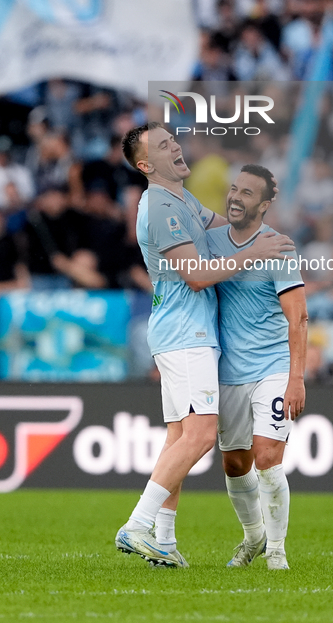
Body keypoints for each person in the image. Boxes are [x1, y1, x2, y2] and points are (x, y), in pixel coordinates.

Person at [115, 122, 293, 567]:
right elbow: (196, 275)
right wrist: (255, 254)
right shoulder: (160, 207)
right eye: (162, 145)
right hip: (186, 332)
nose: (174, 145)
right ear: (145, 165)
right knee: (200, 435)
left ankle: (165, 540)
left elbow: (226, 228)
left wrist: (258, 220)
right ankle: (136, 526)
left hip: (180, 332)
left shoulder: (181, 199)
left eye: (172, 139)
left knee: (178, 436)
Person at [207, 164, 307, 571]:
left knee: (267, 457)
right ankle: (254, 537)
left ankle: (277, 550)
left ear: (264, 205)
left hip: (272, 366)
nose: (235, 197)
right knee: (234, 464)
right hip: (228, 370)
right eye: (234, 189)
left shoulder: (279, 248)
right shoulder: (210, 243)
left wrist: (295, 378)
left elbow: (297, 317)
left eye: (247, 193)